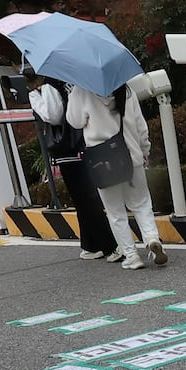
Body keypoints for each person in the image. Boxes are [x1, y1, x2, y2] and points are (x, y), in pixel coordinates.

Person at [65, 82, 167, 272]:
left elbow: (75, 121)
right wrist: (145, 149)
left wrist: (72, 94)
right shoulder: (125, 89)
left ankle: (131, 256)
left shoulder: (82, 89)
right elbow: (140, 125)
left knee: (115, 212)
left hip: (103, 162)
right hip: (131, 157)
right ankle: (152, 239)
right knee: (142, 204)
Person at [27, 77, 118, 262]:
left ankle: (108, 245)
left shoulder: (51, 84)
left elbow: (54, 116)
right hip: (87, 142)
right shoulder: (76, 81)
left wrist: (34, 98)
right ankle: (90, 245)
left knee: (85, 199)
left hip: (68, 147)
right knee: (87, 197)